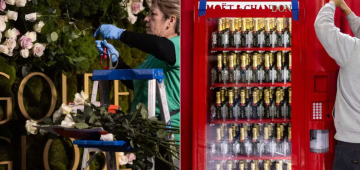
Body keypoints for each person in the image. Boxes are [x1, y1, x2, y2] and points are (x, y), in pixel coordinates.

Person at [94, 0, 180, 168]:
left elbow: (161, 47)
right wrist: (115, 60)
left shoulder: (178, 45)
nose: (146, 19)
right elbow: (136, 84)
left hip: (167, 140)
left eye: (153, 14)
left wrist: (121, 34)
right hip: (143, 134)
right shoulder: (153, 56)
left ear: (171, 20)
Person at [314, 0, 360, 169]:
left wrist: (332, 3)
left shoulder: (354, 50)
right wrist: (348, 12)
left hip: (352, 146)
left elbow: (322, 26)